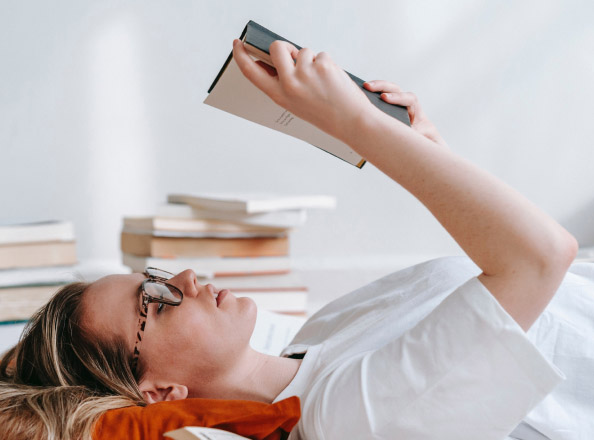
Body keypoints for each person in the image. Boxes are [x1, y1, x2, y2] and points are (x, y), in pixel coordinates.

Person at [0, 39, 591, 440]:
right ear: (159, 392)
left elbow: (507, 280)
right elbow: (538, 259)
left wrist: (426, 150)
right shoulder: (350, 418)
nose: (183, 278)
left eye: (155, 277)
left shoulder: (310, 342)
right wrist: (353, 124)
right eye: (154, 302)